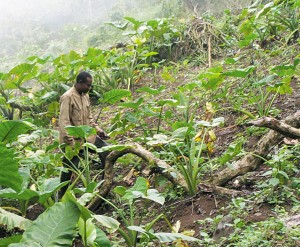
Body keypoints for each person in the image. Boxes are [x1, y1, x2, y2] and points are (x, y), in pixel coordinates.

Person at [58, 71, 109, 198]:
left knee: (106, 152)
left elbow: (89, 118)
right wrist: (71, 144)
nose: (89, 88)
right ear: (80, 83)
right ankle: (62, 196)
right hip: (73, 141)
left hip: (88, 137)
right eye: (88, 85)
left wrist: (98, 130)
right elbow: (64, 123)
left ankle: (104, 185)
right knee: (70, 170)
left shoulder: (85, 95)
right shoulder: (67, 97)